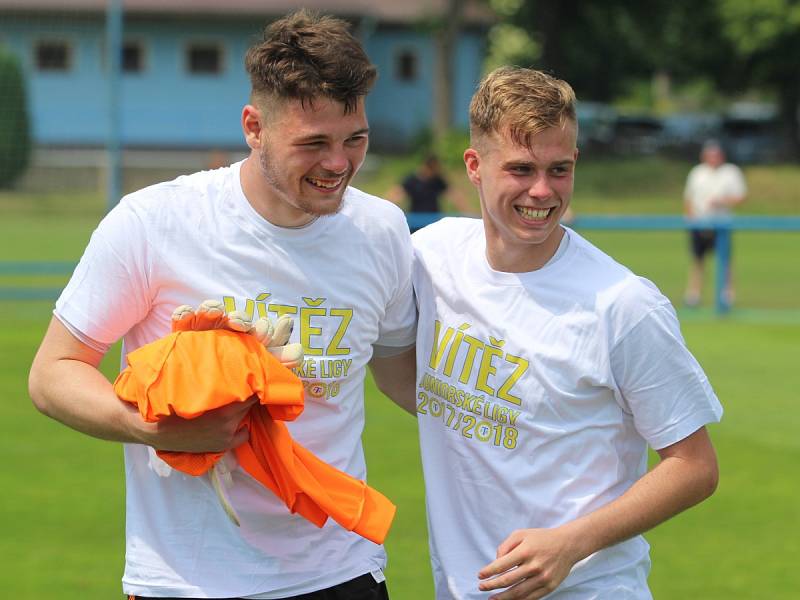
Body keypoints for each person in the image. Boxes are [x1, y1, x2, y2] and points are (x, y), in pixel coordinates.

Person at [27, 10, 416, 600]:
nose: (338, 164)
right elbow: (53, 373)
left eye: (354, 139)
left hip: (340, 570)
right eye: (313, 143)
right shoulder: (154, 223)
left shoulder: (382, 230)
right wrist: (152, 429)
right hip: (187, 581)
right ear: (254, 127)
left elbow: (402, 375)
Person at [406, 66, 722, 599]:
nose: (542, 191)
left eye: (559, 169)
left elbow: (695, 466)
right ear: (474, 166)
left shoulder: (623, 304)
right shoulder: (429, 257)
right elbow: (405, 373)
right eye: (521, 168)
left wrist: (571, 543)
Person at [683, 139, 747, 307]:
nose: (713, 158)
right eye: (710, 155)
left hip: (721, 224)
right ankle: (693, 295)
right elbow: (688, 198)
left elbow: (741, 197)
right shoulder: (697, 172)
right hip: (699, 223)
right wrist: (691, 219)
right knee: (698, 260)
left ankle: (726, 295)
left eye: (716, 154)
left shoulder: (731, 172)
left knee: (725, 261)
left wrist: (722, 201)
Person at [388, 154, 472, 230]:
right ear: (427, 166)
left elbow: (455, 196)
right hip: (415, 221)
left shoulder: (437, 180)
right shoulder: (411, 180)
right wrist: (387, 213)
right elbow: (396, 194)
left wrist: (468, 213)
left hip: (433, 220)